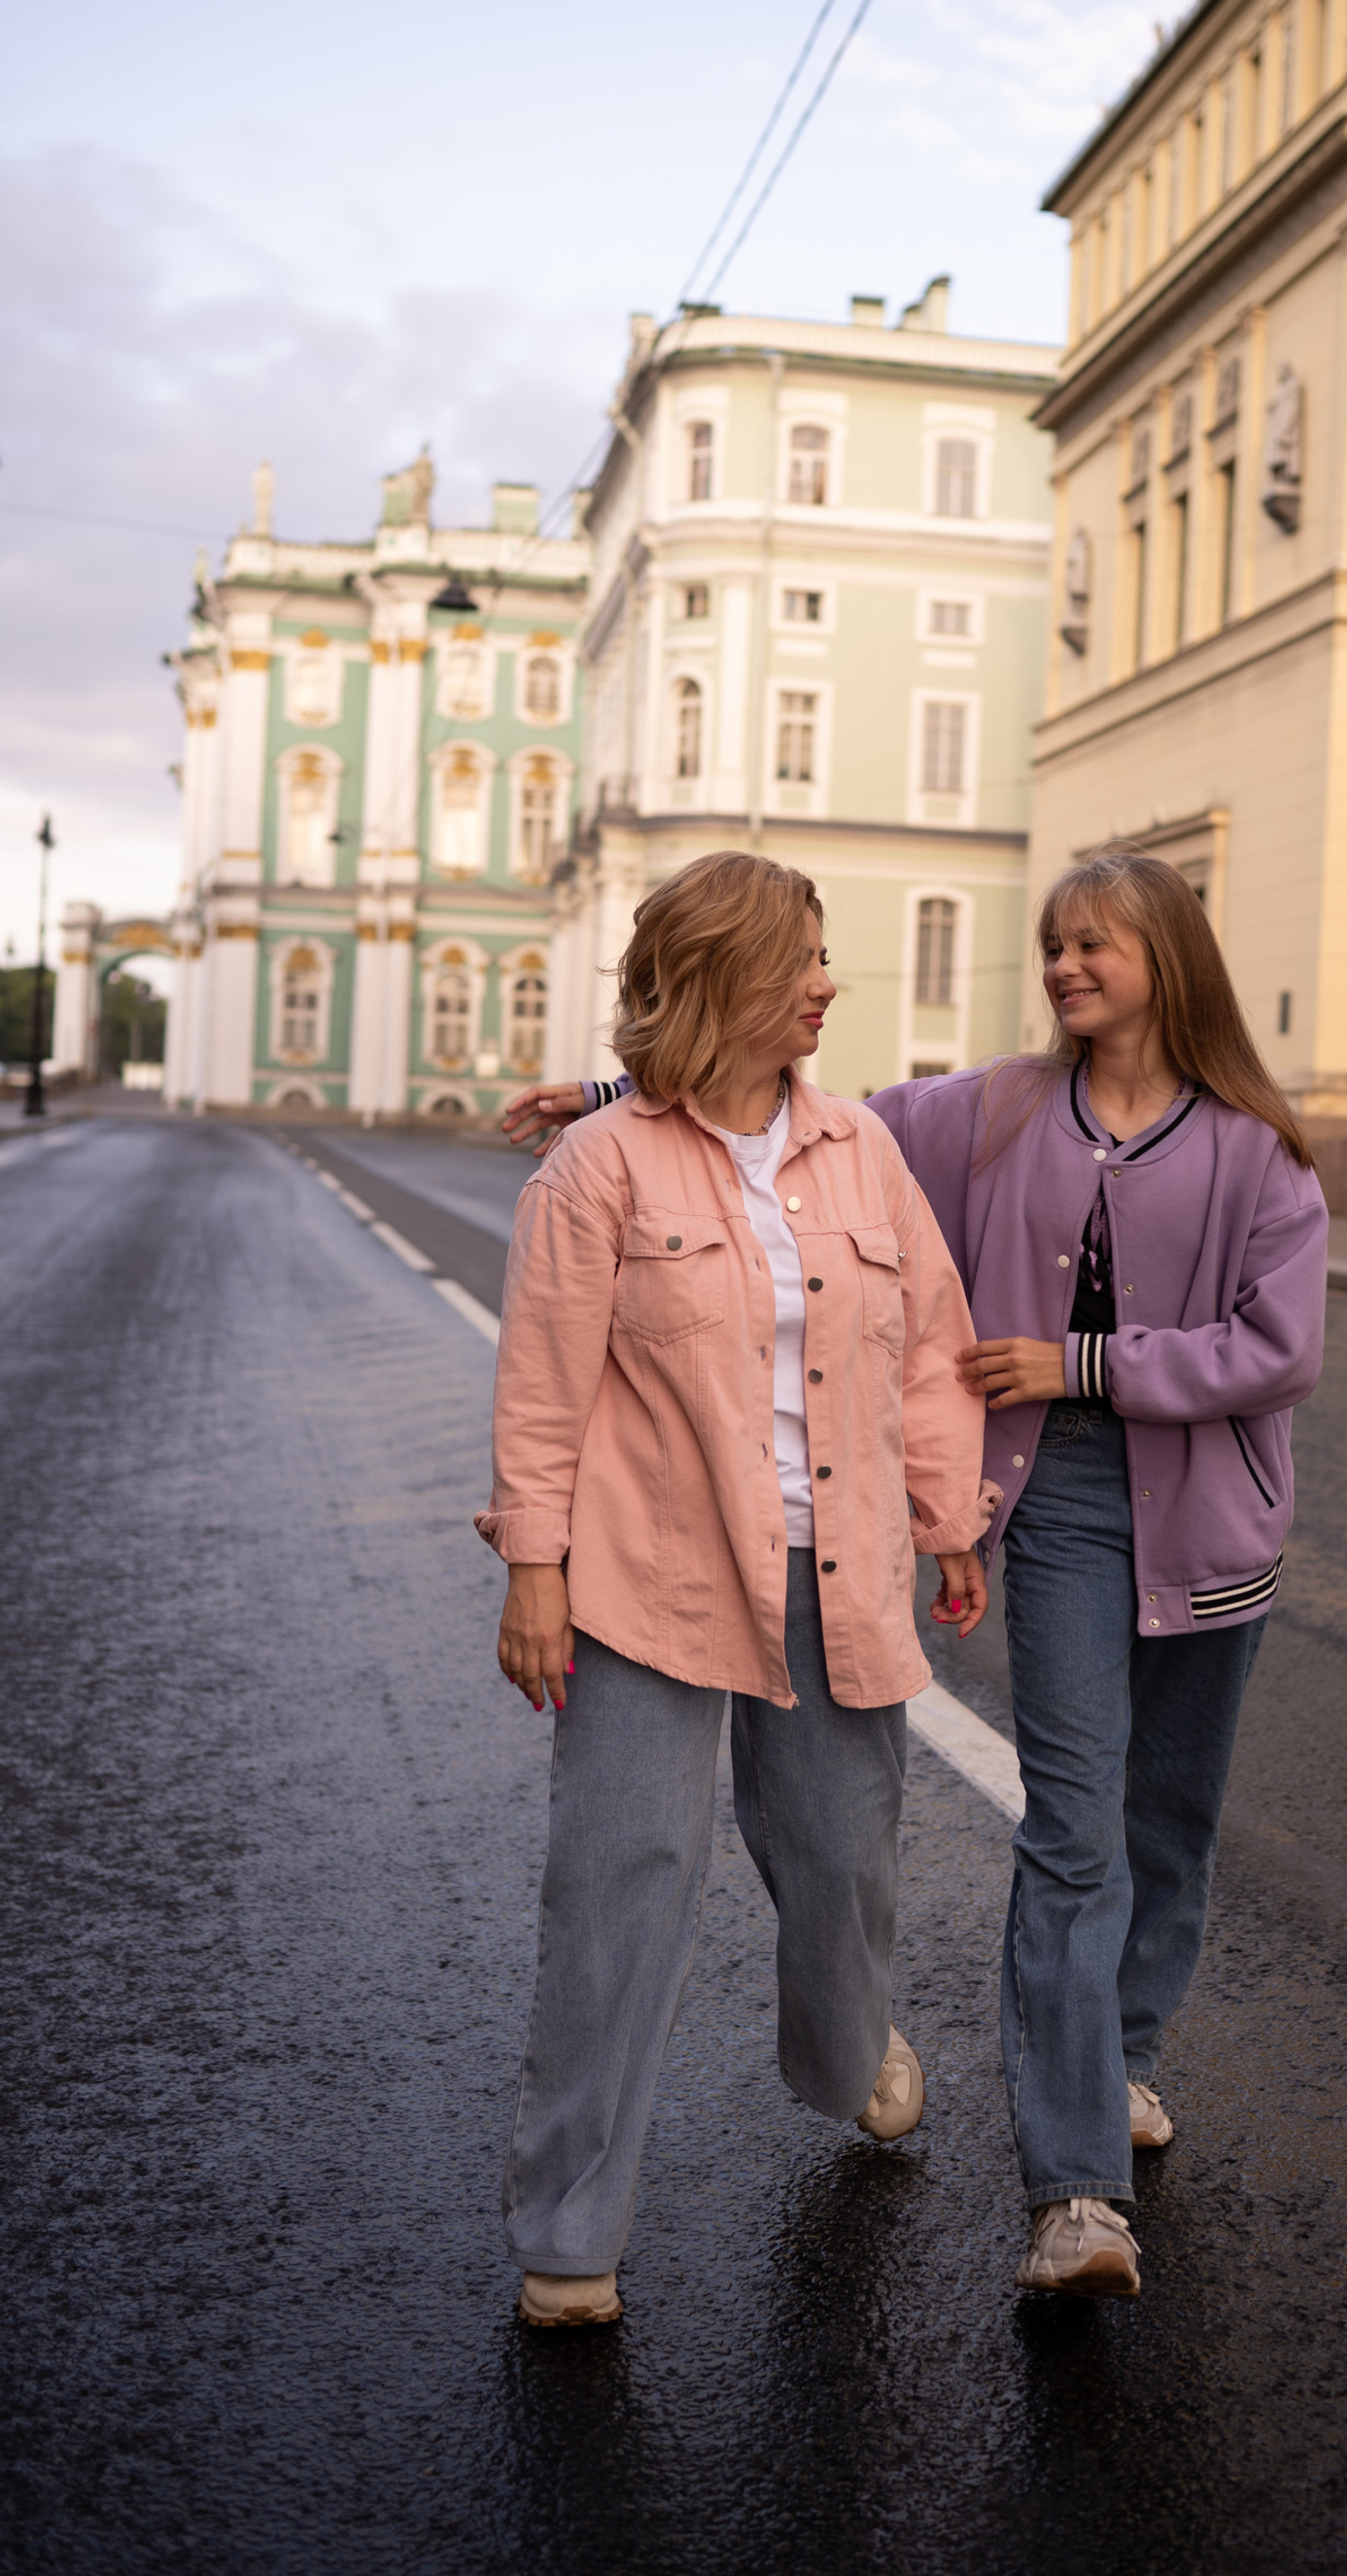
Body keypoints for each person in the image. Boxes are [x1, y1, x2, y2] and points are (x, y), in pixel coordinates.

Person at [503, 851, 1327, 2302]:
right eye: (1055, 944)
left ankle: (982, 2049)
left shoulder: (1231, 1149)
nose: (1067, 966)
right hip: (806, 1542)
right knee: (655, 1882)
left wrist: (1005, 1453)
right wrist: (537, 1564)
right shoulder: (955, 1115)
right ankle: (589, 2242)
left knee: (1002, 1853)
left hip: (1034, 1541)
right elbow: (571, 1346)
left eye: (1095, 944)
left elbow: (1231, 1351)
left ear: (1169, 962)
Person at [482, 851, 994, 2329]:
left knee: (844, 1864)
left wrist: (949, 1514)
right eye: (800, 963)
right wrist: (533, 1568)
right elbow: (542, 1388)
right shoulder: (600, 1169)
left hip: (838, 1568)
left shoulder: (863, 1152)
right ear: (719, 983)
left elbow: (932, 1342)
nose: (828, 983)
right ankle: (569, 2235)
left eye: (826, 958)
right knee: (618, 1889)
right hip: (650, 1570)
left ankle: (851, 2055)